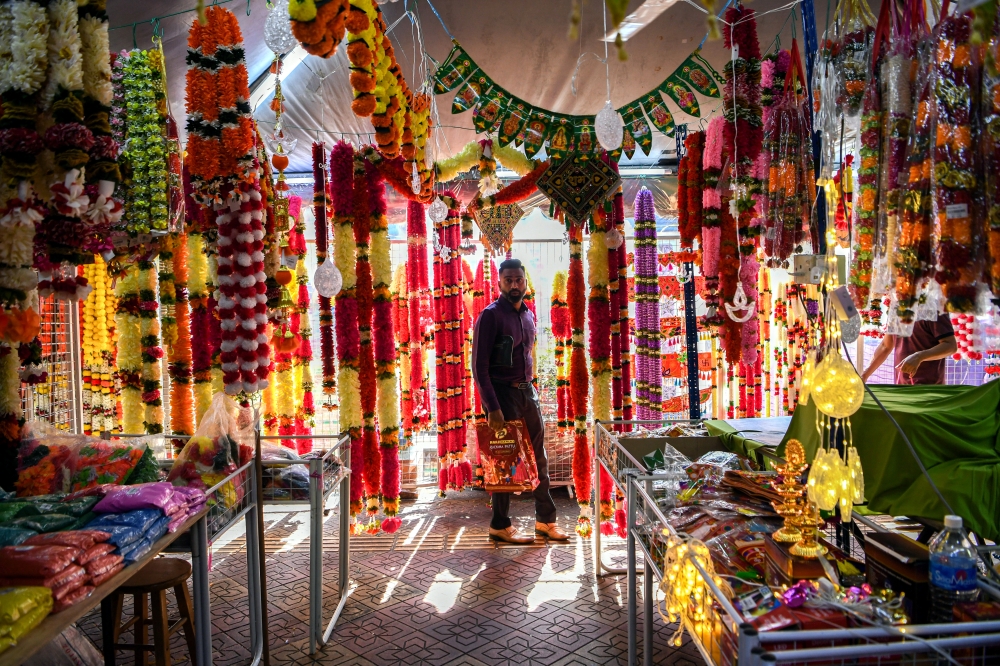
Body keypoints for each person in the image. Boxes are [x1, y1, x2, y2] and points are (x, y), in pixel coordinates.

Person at [472, 258, 568, 544]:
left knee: (539, 457)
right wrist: (493, 407)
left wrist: (530, 392)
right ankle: (499, 525)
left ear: (526, 282)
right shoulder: (490, 316)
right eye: (509, 280)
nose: (515, 285)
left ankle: (545, 521)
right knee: (504, 461)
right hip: (502, 395)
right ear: (499, 282)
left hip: (528, 393)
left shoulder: (528, 315)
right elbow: (479, 368)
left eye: (519, 280)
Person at [861, 313, 958, 385]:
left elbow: (950, 345)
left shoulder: (933, 309)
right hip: (901, 387)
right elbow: (885, 346)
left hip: (929, 389)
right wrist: (864, 375)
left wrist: (919, 356)